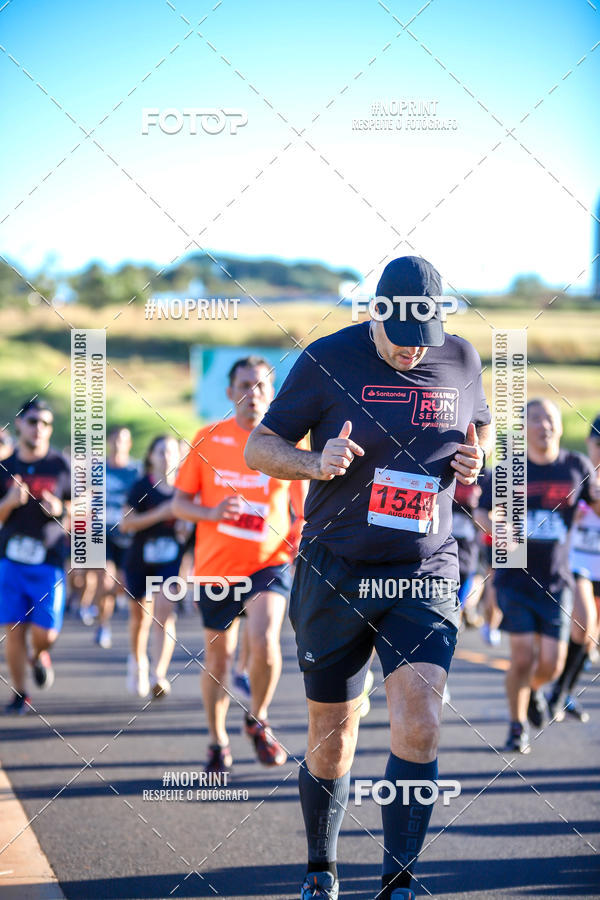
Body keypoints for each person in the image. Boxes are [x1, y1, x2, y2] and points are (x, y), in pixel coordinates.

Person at [245, 256, 492, 900]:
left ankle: (399, 879)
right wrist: (314, 461)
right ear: (376, 313)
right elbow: (259, 448)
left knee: (421, 721)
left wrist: (478, 454)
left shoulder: (462, 359)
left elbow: (482, 425)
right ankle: (321, 868)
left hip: (425, 567)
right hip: (337, 569)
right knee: (333, 734)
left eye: (424, 339)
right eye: (401, 337)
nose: (413, 352)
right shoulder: (328, 358)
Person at [173, 356, 306, 775]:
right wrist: (212, 514)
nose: (254, 394)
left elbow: (303, 511)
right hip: (216, 567)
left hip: (270, 561)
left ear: (273, 394)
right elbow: (179, 504)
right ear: (230, 393)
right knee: (219, 660)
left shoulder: (290, 445)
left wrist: (303, 543)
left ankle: (258, 717)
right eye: (246, 386)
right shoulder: (207, 439)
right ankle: (217, 740)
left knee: (265, 637)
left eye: (262, 386)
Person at [479, 399, 600, 753]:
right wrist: (497, 527)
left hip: (557, 579)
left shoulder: (576, 466)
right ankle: (517, 727)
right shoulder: (509, 469)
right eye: (535, 419)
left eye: (550, 418)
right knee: (521, 657)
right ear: (523, 428)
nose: (543, 425)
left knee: (551, 662)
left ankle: (533, 689)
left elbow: (594, 506)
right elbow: (485, 513)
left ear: (560, 427)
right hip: (515, 578)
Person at [0, 399, 70, 714]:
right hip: (10, 560)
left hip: (48, 562)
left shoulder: (62, 466)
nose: (38, 428)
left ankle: (39, 653)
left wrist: (62, 510)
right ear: (19, 425)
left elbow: (87, 507)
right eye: (32, 422)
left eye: (44, 423)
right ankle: (20, 692)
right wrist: (9, 503)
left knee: (46, 633)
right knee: (13, 630)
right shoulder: (6, 467)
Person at [120, 435, 183, 698]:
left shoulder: (186, 489)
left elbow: (194, 525)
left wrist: (185, 525)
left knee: (165, 612)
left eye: (170, 451)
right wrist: (160, 514)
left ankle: (159, 674)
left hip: (171, 561)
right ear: (151, 457)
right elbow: (126, 523)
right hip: (140, 560)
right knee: (139, 618)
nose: (166, 457)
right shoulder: (140, 487)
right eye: (160, 452)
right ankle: (137, 661)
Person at [547, 413, 600, 722]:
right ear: (589, 443)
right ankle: (556, 694)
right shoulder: (579, 471)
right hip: (576, 561)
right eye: (598, 444)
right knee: (584, 622)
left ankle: (562, 693)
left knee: (589, 636)